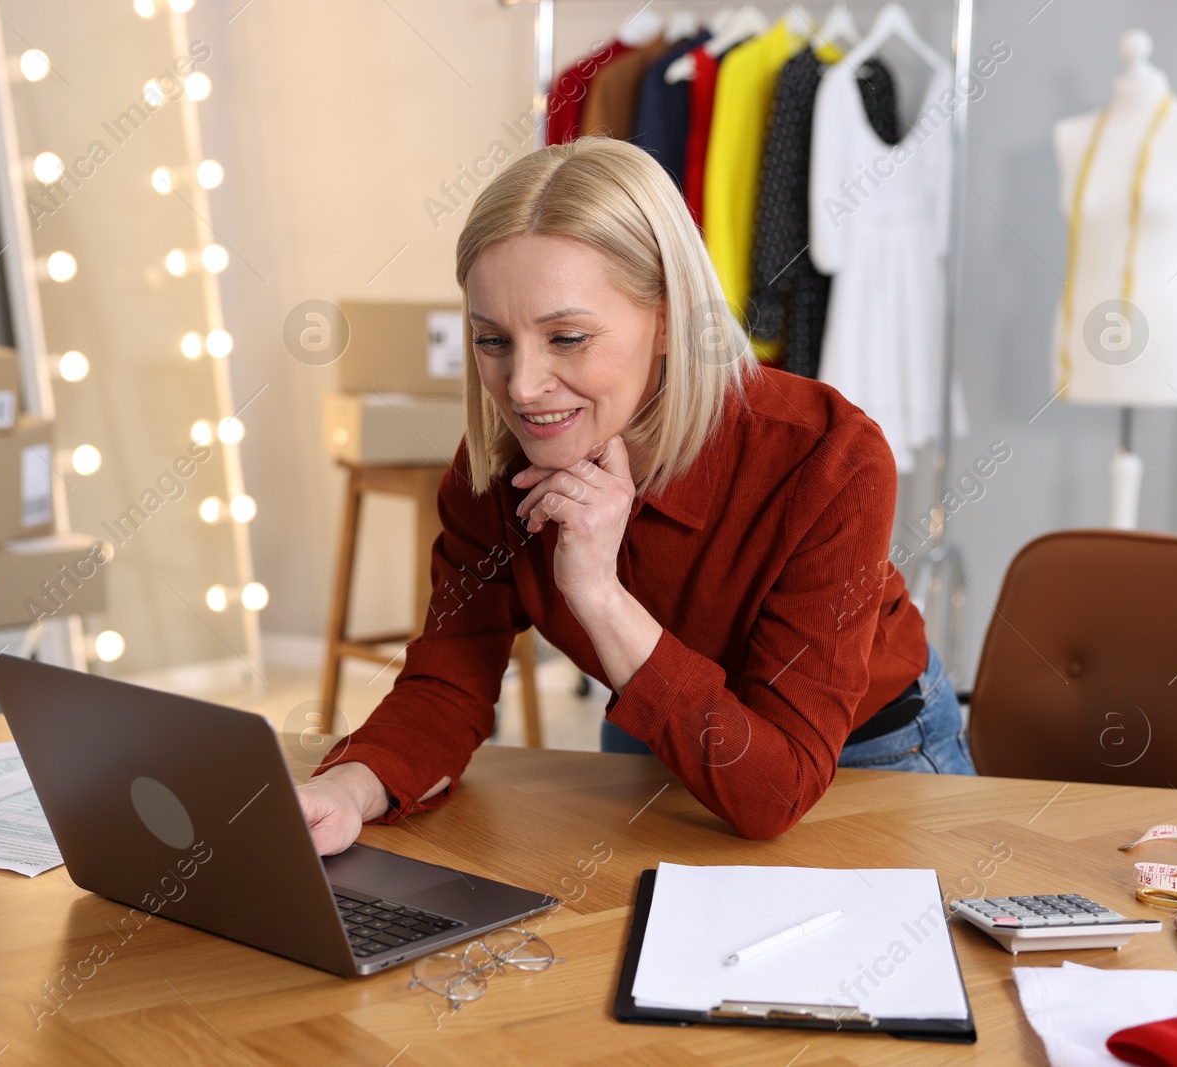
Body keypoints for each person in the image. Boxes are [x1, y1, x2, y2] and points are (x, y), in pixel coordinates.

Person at [297, 137, 974, 856]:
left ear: (667, 319)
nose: (521, 387)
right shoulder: (494, 471)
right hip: (658, 723)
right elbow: (445, 687)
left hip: (869, 753)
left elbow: (776, 789)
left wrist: (598, 593)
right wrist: (345, 789)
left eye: (567, 337)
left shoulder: (829, 458)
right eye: (492, 341)